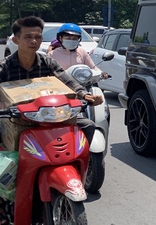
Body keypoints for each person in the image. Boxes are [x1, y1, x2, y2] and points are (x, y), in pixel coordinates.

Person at [0, 17, 104, 223]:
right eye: (28, 36)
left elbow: (67, 81)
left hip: (48, 120)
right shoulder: (5, 67)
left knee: (88, 126)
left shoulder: (47, 61)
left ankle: (81, 170)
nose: (33, 41)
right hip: (14, 121)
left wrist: (85, 96)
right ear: (15, 39)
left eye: (37, 36)